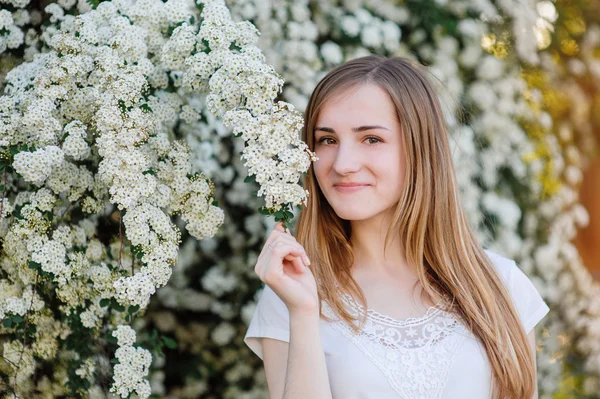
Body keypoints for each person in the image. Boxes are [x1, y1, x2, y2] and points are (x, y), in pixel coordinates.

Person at [243, 55, 550, 399]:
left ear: (419, 149)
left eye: (371, 139)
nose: (343, 164)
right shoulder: (290, 296)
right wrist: (302, 312)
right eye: (327, 140)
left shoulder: (500, 285)